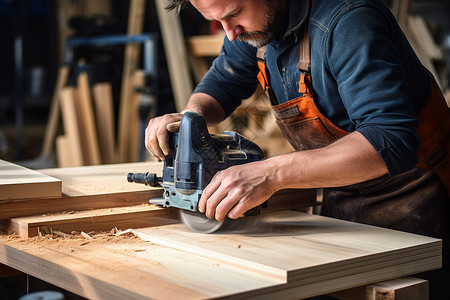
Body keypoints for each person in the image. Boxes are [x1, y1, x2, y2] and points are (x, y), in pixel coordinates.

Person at [145, 0, 449, 298]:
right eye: (218, 21)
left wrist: (271, 174)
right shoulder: (255, 25)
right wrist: (189, 119)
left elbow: (391, 140)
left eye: (233, 14)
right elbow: (224, 80)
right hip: (341, 196)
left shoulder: (349, 21)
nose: (229, 33)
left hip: (418, 198)